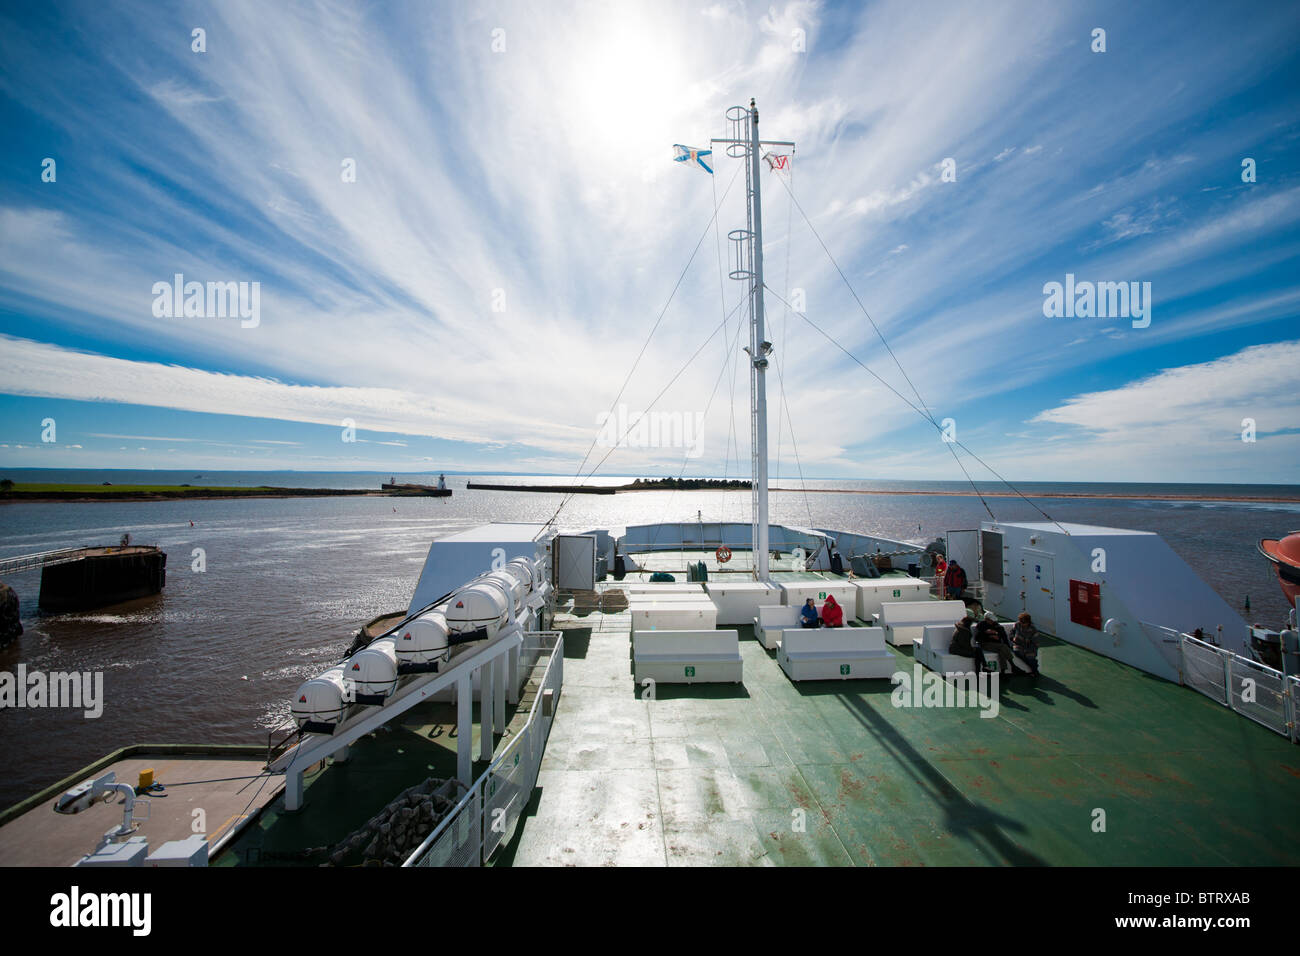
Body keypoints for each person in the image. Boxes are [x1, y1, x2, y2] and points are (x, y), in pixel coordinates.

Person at [975, 611, 1015, 677]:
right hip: (985, 644)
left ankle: (1003, 671)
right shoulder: (981, 625)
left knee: (1002, 651)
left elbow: (1003, 635)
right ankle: (1013, 665)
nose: (992, 622)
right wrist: (988, 635)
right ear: (986, 619)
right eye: (990, 620)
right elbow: (977, 638)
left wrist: (997, 635)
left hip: (997, 645)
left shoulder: (997, 625)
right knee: (1003, 647)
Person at [1009, 612, 1040, 678]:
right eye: (1021, 622)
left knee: (1030, 657)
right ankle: (1034, 667)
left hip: (1030, 646)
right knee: (1017, 651)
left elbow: (1035, 642)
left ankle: (1034, 670)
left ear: (1028, 622)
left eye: (1024, 623)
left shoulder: (1033, 629)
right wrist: (1012, 638)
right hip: (1017, 644)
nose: (1022, 624)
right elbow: (1011, 632)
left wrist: (1028, 644)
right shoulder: (1017, 624)